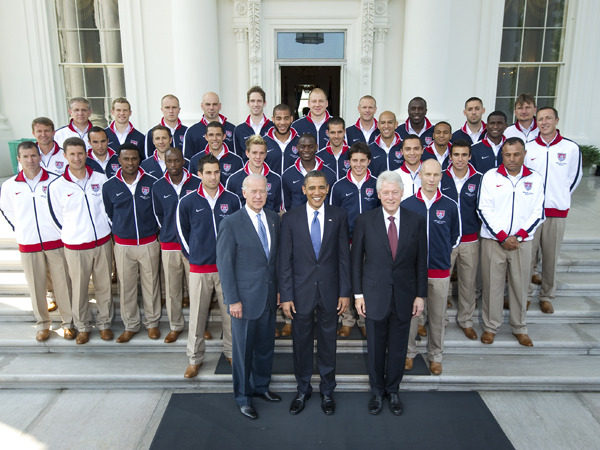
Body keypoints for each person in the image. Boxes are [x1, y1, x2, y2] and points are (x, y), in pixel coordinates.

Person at [351, 170, 427, 415]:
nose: (391, 197)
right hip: (374, 296)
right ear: (379, 194)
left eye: (395, 192)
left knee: (397, 347)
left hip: (405, 295)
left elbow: (421, 261)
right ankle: (376, 391)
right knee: (374, 347)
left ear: (402, 193)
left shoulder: (416, 220)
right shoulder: (365, 220)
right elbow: (356, 262)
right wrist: (358, 294)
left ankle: (393, 390)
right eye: (386, 192)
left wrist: (420, 295)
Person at [280, 170, 351, 416]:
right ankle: (302, 389)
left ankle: (328, 390)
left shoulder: (339, 216)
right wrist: (286, 295)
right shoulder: (290, 218)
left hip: (331, 292)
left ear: (328, 188)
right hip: (300, 294)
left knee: (328, 343)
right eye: (312, 188)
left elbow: (344, 257)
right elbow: (285, 260)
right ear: (304, 190)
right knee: (300, 343)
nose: (317, 192)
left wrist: (345, 292)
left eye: (321, 187)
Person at [216, 174, 281, 420]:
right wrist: (232, 299)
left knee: (265, 348)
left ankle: (262, 387)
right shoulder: (231, 223)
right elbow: (225, 264)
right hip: (242, 301)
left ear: (267, 192)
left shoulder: (274, 219)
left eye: (262, 191)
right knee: (243, 352)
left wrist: (277, 291)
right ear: (244, 193)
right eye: (253, 191)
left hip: (267, 297)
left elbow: (273, 261)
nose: (258, 196)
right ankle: (243, 397)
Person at [0, 141, 74, 341]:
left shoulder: (55, 182)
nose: (30, 160)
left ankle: (68, 322)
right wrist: (22, 230)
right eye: (26, 157)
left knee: (63, 285)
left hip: (55, 242)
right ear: (19, 159)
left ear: (39, 156)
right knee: (36, 286)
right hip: (29, 244)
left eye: (33, 156)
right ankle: (43, 324)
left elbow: (64, 209)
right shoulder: (10, 186)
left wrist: (60, 230)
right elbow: (7, 211)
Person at [478, 137, 544, 346]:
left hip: (522, 243)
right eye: (508, 154)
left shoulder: (535, 179)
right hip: (494, 241)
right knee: (492, 286)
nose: (512, 159)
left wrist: (520, 235)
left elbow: (538, 211)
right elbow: (483, 208)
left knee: (519, 285)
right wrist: (501, 236)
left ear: (524, 154)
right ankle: (491, 326)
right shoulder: (490, 177)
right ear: (502, 155)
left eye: (516, 154)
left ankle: (519, 327)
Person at [47, 137, 113, 344]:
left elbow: (107, 209)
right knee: (79, 288)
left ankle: (105, 324)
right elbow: (55, 217)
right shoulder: (57, 186)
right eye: (72, 154)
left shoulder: (100, 179)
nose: (77, 158)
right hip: (76, 246)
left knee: (104, 287)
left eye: (80, 153)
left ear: (86, 154)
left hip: (102, 242)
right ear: (65, 156)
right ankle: (83, 326)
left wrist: (105, 229)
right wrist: (73, 233)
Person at [178, 154, 238, 379]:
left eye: (217, 172)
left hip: (226, 269)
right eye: (209, 173)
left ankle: (231, 353)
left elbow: (238, 232)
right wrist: (194, 257)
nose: (214, 177)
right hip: (200, 269)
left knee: (230, 315)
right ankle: (194, 359)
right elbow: (182, 233)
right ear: (199, 174)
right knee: (197, 316)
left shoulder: (232, 199)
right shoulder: (188, 201)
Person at [402, 159, 460, 375]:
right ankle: (408, 353)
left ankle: (435, 355)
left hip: (439, 271)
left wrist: (441, 253)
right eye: (427, 174)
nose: (431, 179)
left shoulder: (449, 205)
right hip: (412, 272)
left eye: (436, 175)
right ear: (420, 176)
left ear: (441, 177)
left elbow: (456, 236)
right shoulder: (407, 205)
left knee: (437, 316)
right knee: (410, 317)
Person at [525, 107, 582, 314]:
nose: (544, 122)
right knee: (528, 258)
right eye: (540, 119)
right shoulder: (529, 148)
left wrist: (560, 197)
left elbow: (574, 178)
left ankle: (547, 295)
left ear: (556, 120)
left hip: (555, 213)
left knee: (550, 257)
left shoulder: (570, 148)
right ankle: (526, 295)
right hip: (532, 213)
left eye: (548, 118)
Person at [102, 143, 161, 342]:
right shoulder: (109, 185)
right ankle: (131, 325)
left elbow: (157, 211)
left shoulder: (152, 182)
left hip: (148, 242)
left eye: (134, 158)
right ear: (119, 160)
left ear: (140, 160)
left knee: (151, 284)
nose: (130, 162)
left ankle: (152, 323)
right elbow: (109, 213)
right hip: (123, 245)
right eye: (126, 159)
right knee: (126, 286)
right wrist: (121, 230)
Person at [152, 147, 201, 343]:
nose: (173, 165)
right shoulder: (158, 186)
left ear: (183, 161)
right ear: (165, 162)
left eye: (177, 161)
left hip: (193, 246)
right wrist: (168, 231)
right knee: (172, 289)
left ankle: (199, 326)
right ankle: (175, 325)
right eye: (169, 161)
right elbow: (158, 215)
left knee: (197, 289)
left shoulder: (196, 183)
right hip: (170, 245)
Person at [330, 142, 379, 338]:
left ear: (368, 161)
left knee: (368, 281)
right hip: (346, 242)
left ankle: (364, 318)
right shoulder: (339, 186)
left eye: (362, 160)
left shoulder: (376, 184)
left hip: (371, 243)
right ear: (348, 162)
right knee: (347, 280)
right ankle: (348, 319)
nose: (358, 164)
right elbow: (333, 215)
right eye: (354, 160)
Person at [440, 140, 483, 340]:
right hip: (445, 240)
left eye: (464, 155)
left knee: (468, 282)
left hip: (469, 239)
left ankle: (466, 321)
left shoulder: (478, 179)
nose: (460, 159)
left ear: (470, 156)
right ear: (450, 157)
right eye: (456, 155)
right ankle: (439, 321)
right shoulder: (440, 177)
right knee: (441, 283)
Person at [226, 135, 282, 212]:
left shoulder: (276, 179)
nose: (258, 157)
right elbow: (230, 209)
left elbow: (277, 208)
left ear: (266, 154)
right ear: (247, 153)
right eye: (254, 153)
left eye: (261, 153)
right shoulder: (234, 180)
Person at [281, 133, 337, 211]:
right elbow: (287, 204)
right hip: (297, 220)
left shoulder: (330, 174)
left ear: (316, 147)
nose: (306, 150)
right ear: (297, 148)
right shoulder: (288, 175)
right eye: (302, 147)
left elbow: (332, 202)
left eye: (310, 147)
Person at [183, 91, 236, 159]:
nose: (211, 108)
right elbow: (187, 160)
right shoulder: (192, 131)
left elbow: (237, 156)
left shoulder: (232, 129)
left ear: (220, 106)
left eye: (215, 104)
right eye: (208, 104)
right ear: (202, 106)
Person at [233, 86, 273, 158]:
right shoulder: (239, 130)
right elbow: (238, 158)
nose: (256, 104)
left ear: (264, 103)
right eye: (252, 101)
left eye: (259, 101)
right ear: (248, 103)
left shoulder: (273, 127)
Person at [264, 103, 300, 175]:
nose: (282, 122)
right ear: (273, 119)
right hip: (270, 186)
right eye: (278, 118)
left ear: (291, 119)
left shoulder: (300, 142)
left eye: (286, 118)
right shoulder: (263, 142)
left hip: (292, 186)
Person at [368, 111, 404, 177]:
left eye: (390, 122)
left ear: (396, 124)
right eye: (383, 123)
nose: (386, 126)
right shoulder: (369, 149)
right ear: (378, 125)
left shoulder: (404, 146)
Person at [393, 134, 423, 200]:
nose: (412, 153)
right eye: (408, 149)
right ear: (402, 152)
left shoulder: (431, 174)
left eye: (416, 148)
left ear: (422, 150)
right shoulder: (394, 176)